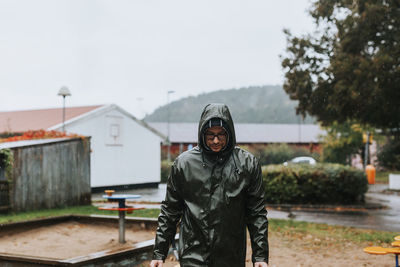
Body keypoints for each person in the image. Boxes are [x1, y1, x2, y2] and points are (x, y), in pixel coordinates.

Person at [150, 103, 269, 267]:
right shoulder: (184, 164)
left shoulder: (247, 164)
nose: (215, 140)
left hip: (230, 255)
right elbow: (170, 210)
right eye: (210, 135)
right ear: (202, 134)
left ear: (229, 134)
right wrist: (159, 252)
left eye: (221, 134)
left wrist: (260, 256)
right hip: (193, 254)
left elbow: (256, 214)